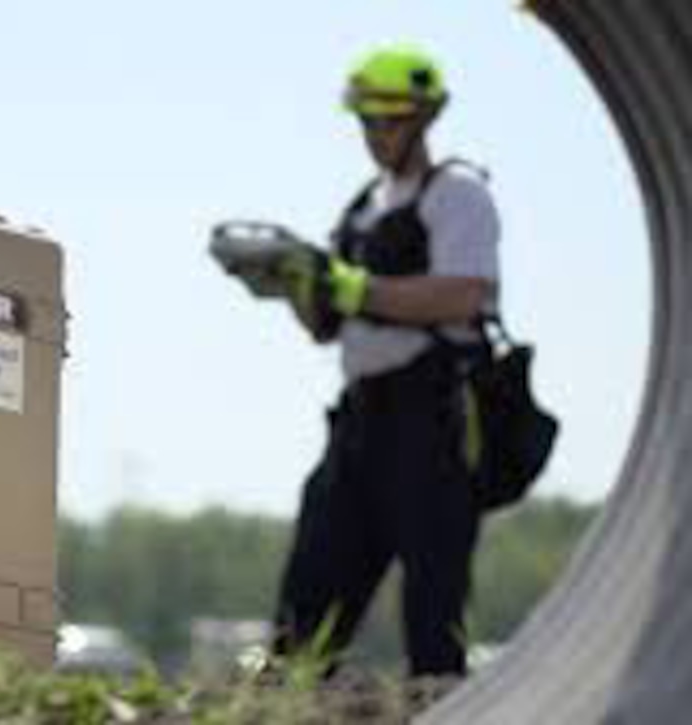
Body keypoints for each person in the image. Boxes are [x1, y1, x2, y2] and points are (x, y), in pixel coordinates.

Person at [269, 44, 501, 678]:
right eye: (367, 120)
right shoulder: (363, 208)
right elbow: (326, 328)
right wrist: (292, 283)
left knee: (433, 625)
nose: (377, 134)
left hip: (431, 427)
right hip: (360, 429)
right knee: (304, 618)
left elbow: (464, 291)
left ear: (425, 118)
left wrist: (354, 288)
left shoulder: (456, 193)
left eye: (391, 120)